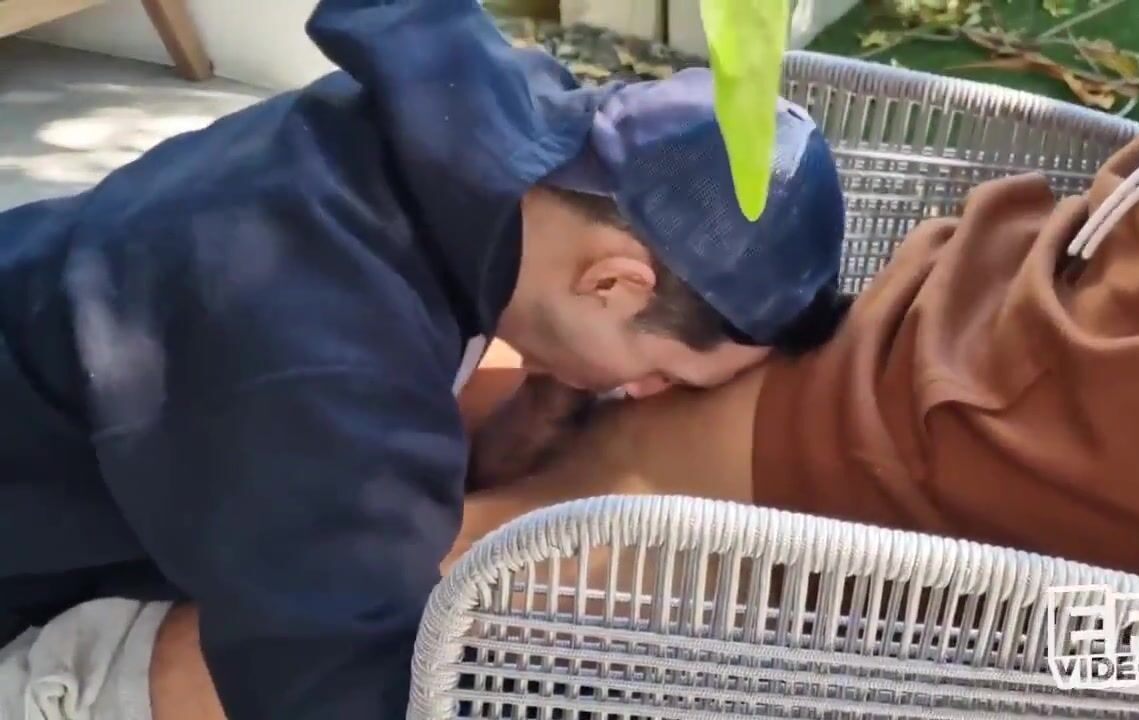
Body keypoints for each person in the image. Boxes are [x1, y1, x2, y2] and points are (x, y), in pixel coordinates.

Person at [0, 0, 850, 718]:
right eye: (663, 374)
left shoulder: (471, 156)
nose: (643, 393)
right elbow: (332, 681)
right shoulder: (318, 350)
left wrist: (529, 412)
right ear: (614, 282)